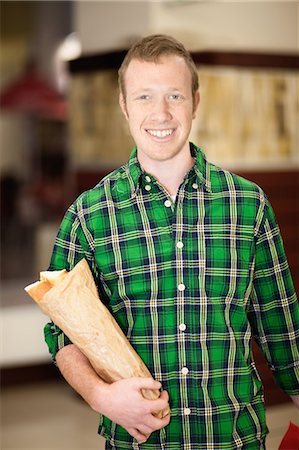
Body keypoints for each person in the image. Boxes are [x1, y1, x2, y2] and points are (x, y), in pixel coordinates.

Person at [44, 34, 299, 449]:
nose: (160, 113)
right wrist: (100, 396)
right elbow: (62, 332)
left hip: (234, 439)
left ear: (195, 102)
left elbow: (282, 329)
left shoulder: (248, 204)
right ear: (124, 106)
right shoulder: (89, 214)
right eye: (144, 97)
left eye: (174, 96)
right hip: (137, 442)